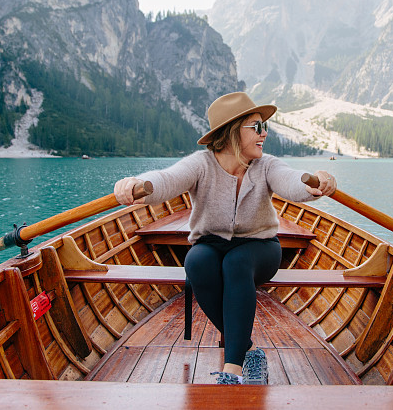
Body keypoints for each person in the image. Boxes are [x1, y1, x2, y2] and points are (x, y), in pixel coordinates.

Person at [114, 91, 336, 385]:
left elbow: (292, 181)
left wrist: (315, 183)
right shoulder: (200, 164)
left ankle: (232, 371)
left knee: (237, 263)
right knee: (197, 261)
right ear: (233, 131)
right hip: (212, 243)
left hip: (260, 247)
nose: (265, 133)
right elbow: (166, 180)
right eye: (257, 127)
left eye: (264, 127)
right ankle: (250, 352)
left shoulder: (266, 165)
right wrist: (137, 185)